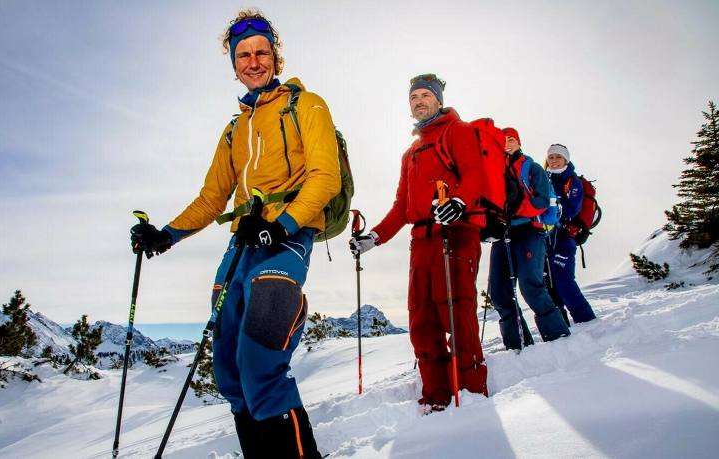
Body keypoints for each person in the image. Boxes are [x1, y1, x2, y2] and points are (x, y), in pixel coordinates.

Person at [130, 10, 338, 458]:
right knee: (228, 368)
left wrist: (280, 225)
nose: (253, 61)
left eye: (261, 51)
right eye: (243, 54)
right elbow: (211, 198)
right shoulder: (234, 130)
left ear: (276, 57)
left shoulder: (307, 104)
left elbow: (326, 178)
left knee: (260, 360)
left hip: (286, 239)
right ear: (234, 64)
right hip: (242, 244)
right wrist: (164, 235)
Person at [349, 73, 488, 411]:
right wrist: (374, 238)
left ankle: (470, 397)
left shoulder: (459, 130)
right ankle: (436, 396)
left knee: (456, 314)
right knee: (421, 320)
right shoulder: (410, 152)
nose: (419, 101)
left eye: (426, 95)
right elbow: (402, 206)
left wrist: (458, 202)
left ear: (439, 100)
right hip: (421, 241)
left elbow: (473, 174)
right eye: (414, 97)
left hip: (455, 233)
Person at [487, 127, 571, 351]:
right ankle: (518, 346)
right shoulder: (492, 171)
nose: (506, 142)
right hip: (502, 234)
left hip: (529, 231)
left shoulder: (532, 168)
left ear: (518, 142)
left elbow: (543, 201)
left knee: (530, 285)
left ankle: (558, 337)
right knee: (499, 291)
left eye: (511, 139)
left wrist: (516, 208)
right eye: (502, 140)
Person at [544, 143, 597, 324]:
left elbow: (572, 209)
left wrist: (551, 211)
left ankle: (586, 319)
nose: (554, 161)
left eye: (558, 157)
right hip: (544, 238)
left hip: (565, 238)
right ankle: (560, 323)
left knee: (563, 280)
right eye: (551, 157)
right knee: (548, 283)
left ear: (566, 159)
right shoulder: (542, 179)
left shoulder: (573, 182)